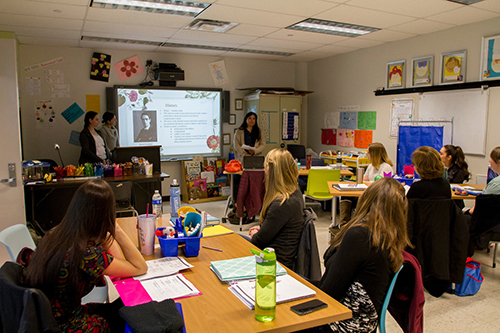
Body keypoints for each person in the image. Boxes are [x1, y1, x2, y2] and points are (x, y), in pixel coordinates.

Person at [25, 179, 148, 332]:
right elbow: (139, 267)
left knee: (121, 307)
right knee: (132, 311)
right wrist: (116, 229)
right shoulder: (87, 254)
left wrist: (104, 232)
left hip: (46, 318)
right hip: (66, 325)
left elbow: (119, 266)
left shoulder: (57, 233)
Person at [316, 178, 410, 332]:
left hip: (340, 324)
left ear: (367, 200)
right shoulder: (389, 238)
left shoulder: (360, 237)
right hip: (363, 323)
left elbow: (329, 294)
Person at [248, 149, 304, 269]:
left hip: (273, 262)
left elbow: (257, 242)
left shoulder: (281, 203)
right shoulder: (295, 193)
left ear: (269, 170)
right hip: (280, 253)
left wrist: (255, 234)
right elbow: (277, 226)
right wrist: (263, 228)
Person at [469, 146, 500, 214]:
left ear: (498, 162)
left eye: (491, 158)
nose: (489, 161)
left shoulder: (495, 184)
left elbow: (478, 207)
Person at [440, 144, 470, 209]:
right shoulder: (444, 169)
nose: (439, 156)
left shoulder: (458, 171)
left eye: (441, 154)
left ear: (449, 157)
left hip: (454, 205)